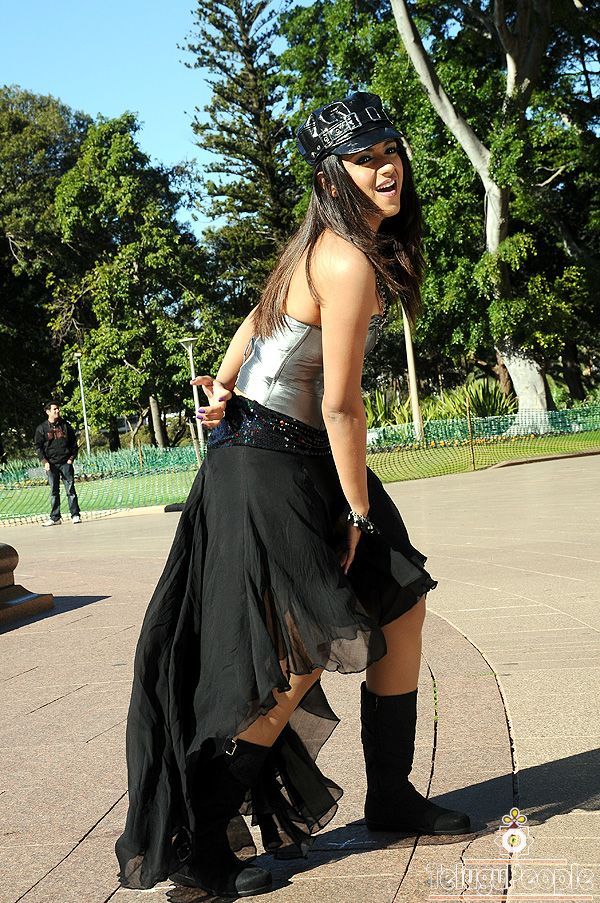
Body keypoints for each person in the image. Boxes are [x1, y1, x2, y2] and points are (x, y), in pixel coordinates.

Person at [115, 92, 471, 899]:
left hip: (278, 446)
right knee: (300, 649)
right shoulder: (344, 258)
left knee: (398, 597)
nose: (387, 166)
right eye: (364, 158)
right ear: (331, 175)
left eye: (391, 149)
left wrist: (223, 383)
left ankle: (390, 795)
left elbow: (254, 321)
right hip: (276, 462)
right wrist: (356, 510)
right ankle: (202, 843)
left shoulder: (322, 244)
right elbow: (342, 404)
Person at [34, 401, 81, 526]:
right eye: (54, 409)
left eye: (58, 409)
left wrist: (71, 459)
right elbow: (38, 447)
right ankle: (55, 518)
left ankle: (75, 515)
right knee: (54, 492)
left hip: (66, 463)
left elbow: (74, 444)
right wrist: (44, 462)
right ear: (48, 411)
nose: (57, 411)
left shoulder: (66, 426)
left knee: (70, 490)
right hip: (51, 465)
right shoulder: (41, 428)